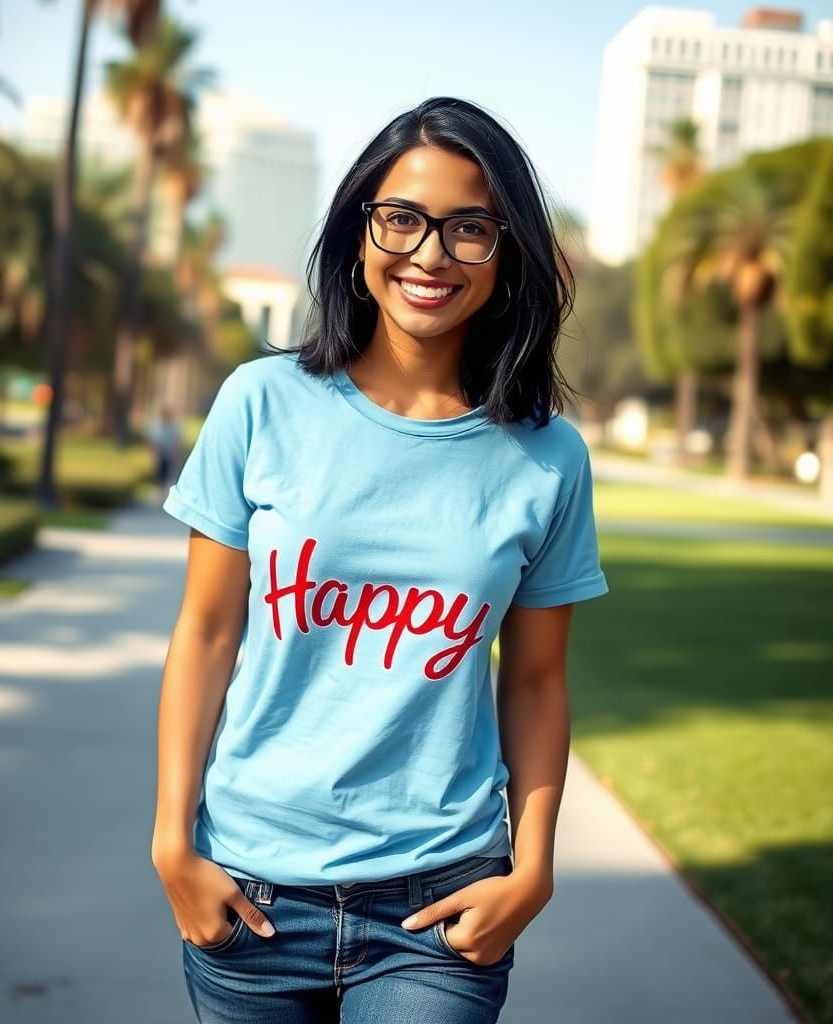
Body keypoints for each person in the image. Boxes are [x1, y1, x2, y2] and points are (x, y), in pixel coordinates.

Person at [152, 96, 609, 1024]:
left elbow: (534, 684)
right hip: (254, 894)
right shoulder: (261, 403)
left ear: (508, 250)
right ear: (360, 229)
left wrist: (536, 869)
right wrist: (172, 843)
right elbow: (204, 631)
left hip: (437, 907)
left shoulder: (547, 457)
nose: (430, 255)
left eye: (470, 228)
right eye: (402, 218)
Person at [145, 404, 182, 489]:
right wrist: (152, 455)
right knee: (159, 478)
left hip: (169, 455)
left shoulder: (174, 427)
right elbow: (152, 442)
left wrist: (176, 456)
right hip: (160, 454)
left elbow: (177, 443)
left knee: (168, 478)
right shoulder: (156, 426)